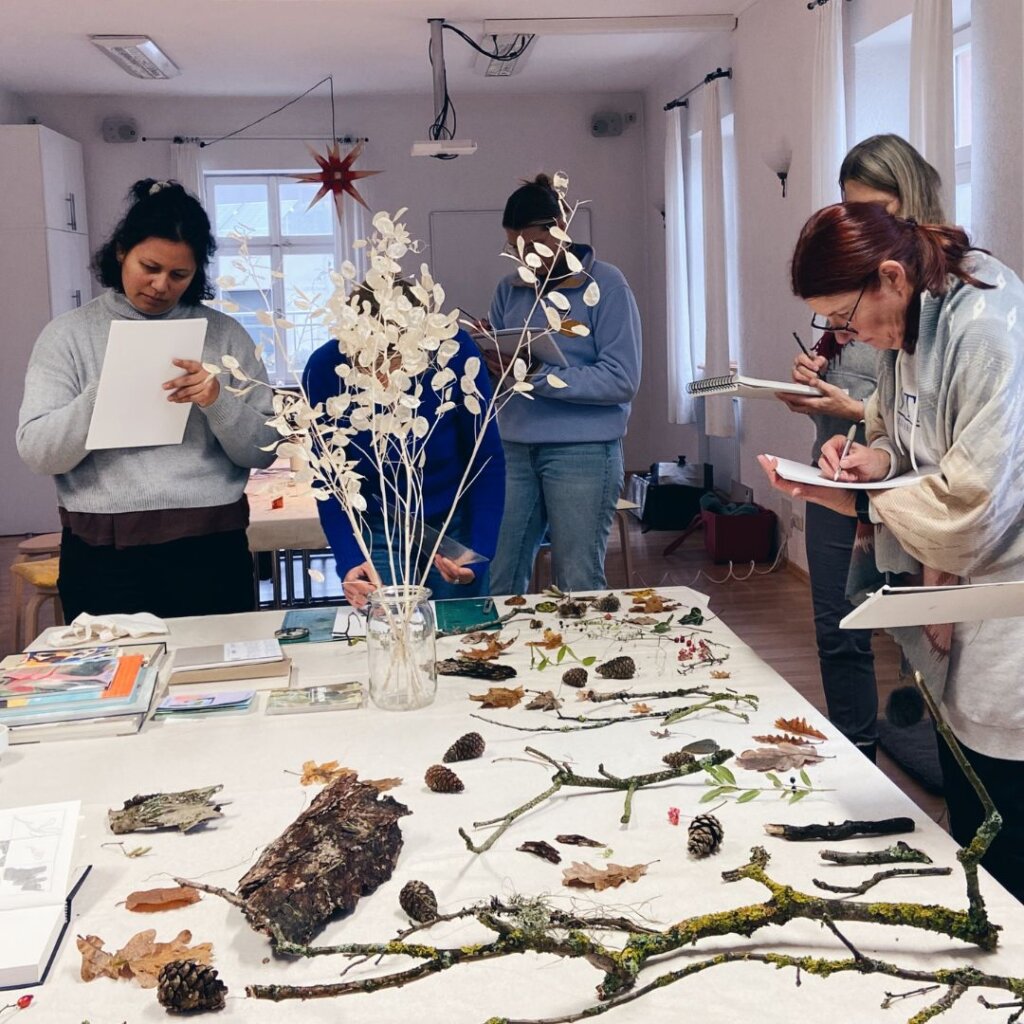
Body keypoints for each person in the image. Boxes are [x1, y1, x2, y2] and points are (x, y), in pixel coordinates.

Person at [759, 201, 1024, 902]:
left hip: (1008, 592)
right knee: (966, 784)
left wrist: (856, 501)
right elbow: (898, 426)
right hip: (961, 585)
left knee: (1007, 805)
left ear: (890, 277)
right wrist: (871, 457)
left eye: (844, 317)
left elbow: (972, 501)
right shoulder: (912, 321)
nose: (843, 336)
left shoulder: (989, 327)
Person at [17, 179, 277, 620]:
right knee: (116, 683)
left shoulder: (223, 334)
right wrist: (103, 393)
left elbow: (264, 448)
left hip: (210, 543)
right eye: (149, 266)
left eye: (180, 275)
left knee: (217, 680)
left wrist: (218, 401)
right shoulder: (68, 335)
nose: (160, 285)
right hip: (104, 550)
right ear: (121, 251)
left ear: (197, 273)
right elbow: (39, 453)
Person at [775, 135, 946, 760]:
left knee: (919, 636)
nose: (865, 224)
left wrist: (854, 410)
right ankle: (857, 757)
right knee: (838, 624)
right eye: (851, 209)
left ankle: (925, 750)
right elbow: (851, 363)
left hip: (908, 486)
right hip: (838, 468)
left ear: (911, 200)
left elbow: (932, 427)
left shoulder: (938, 299)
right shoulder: (859, 282)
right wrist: (813, 375)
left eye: (875, 208)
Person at [303, 283, 505, 609]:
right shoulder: (325, 369)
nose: (382, 374)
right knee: (388, 629)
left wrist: (478, 555)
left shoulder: (455, 354)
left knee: (460, 634)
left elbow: (486, 460)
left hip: (453, 522)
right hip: (376, 525)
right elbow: (329, 479)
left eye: (393, 359)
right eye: (367, 359)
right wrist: (350, 560)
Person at [487, 174, 642, 596]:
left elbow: (620, 379)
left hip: (583, 452)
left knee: (577, 581)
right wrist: (490, 365)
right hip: (514, 449)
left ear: (560, 229)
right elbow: (505, 378)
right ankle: (498, 661)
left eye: (533, 248)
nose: (525, 260)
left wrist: (536, 375)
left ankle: (578, 664)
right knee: (498, 577)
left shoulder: (606, 285)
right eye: (514, 249)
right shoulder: (509, 289)